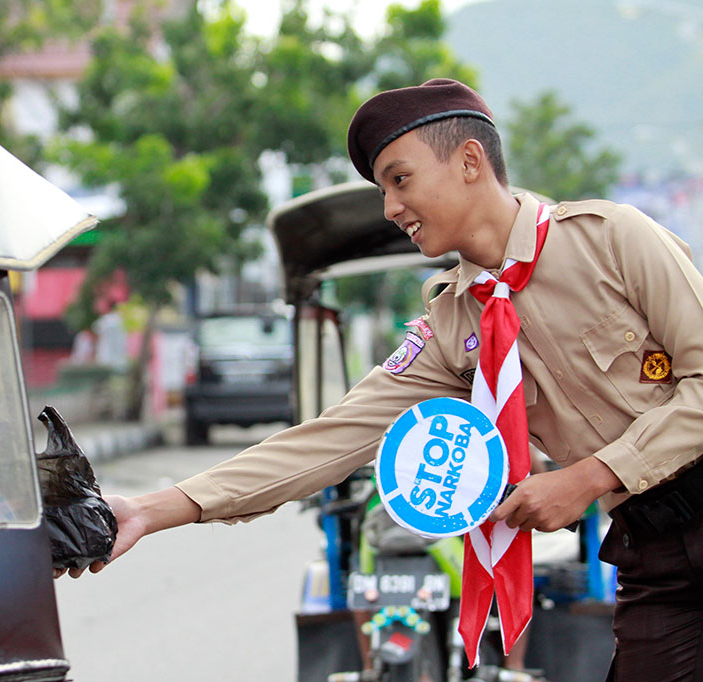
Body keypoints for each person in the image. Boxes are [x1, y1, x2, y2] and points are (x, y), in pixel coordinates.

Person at [67, 79, 703, 681]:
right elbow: (327, 440)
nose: (391, 207)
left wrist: (589, 478)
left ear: (470, 162)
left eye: (400, 181)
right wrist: (148, 512)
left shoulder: (612, 242)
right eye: (382, 190)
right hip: (654, 559)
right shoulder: (452, 325)